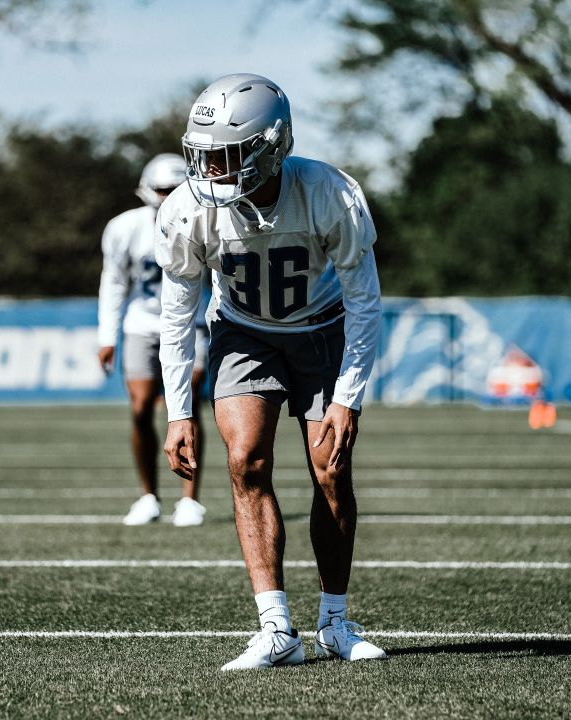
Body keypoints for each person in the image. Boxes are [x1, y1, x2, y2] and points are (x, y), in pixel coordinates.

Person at [155, 73, 387, 670]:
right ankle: (275, 628)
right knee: (244, 460)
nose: (211, 172)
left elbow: (364, 300)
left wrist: (348, 398)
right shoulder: (186, 211)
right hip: (243, 331)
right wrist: (179, 411)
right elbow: (176, 316)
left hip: (321, 329)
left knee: (329, 470)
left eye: (227, 156)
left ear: (272, 145)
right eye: (204, 157)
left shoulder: (326, 191)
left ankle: (334, 621)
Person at [98, 153, 210, 527]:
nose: (167, 196)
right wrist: (106, 335)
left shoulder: (206, 217)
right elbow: (114, 282)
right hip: (143, 324)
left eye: (174, 189)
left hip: (192, 322)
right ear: (147, 189)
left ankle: (189, 499)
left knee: (188, 402)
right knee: (141, 406)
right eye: (162, 189)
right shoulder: (123, 227)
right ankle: (148, 495)